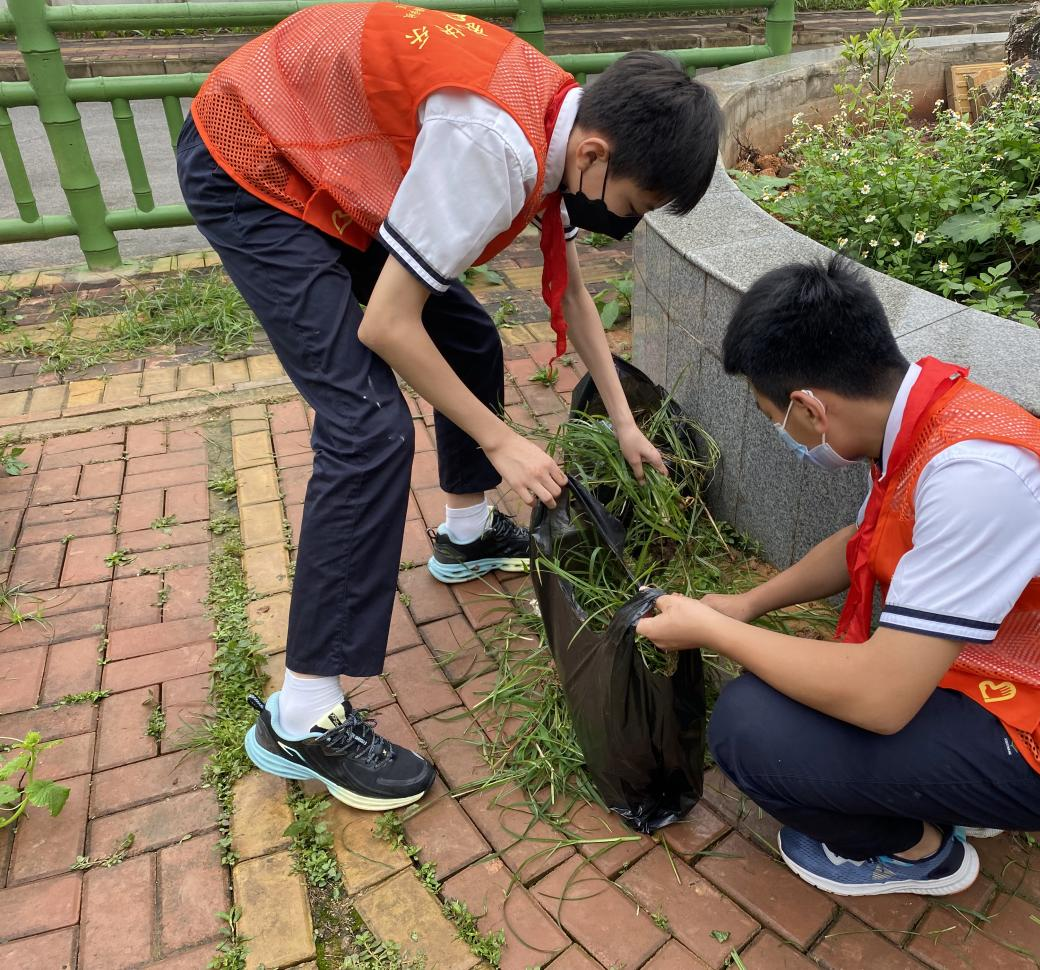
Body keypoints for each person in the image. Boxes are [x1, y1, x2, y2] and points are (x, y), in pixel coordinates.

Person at [175, 4, 722, 811]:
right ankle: (301, 713)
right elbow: (387, 326)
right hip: (254, 159)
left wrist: (626, 419)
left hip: (317, 146)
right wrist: (502, 442)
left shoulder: (560, 122)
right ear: (597, 154)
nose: (624, 225)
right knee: (367, 427)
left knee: (467, 334)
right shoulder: (494, 147)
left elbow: (564, 283)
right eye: (635, 208)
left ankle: (464, 537)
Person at [636, 256, 1040, 897]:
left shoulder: (975, 479)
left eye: (773, 417)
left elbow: (880, 699)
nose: (781, 433)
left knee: (752, 731)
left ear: (810, 408)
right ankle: (959, 784)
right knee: (799, 688)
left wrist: (712, 631)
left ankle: (916, 853)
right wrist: (747, 604)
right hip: (1026, 669)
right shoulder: (926, 417)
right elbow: (864, 543)